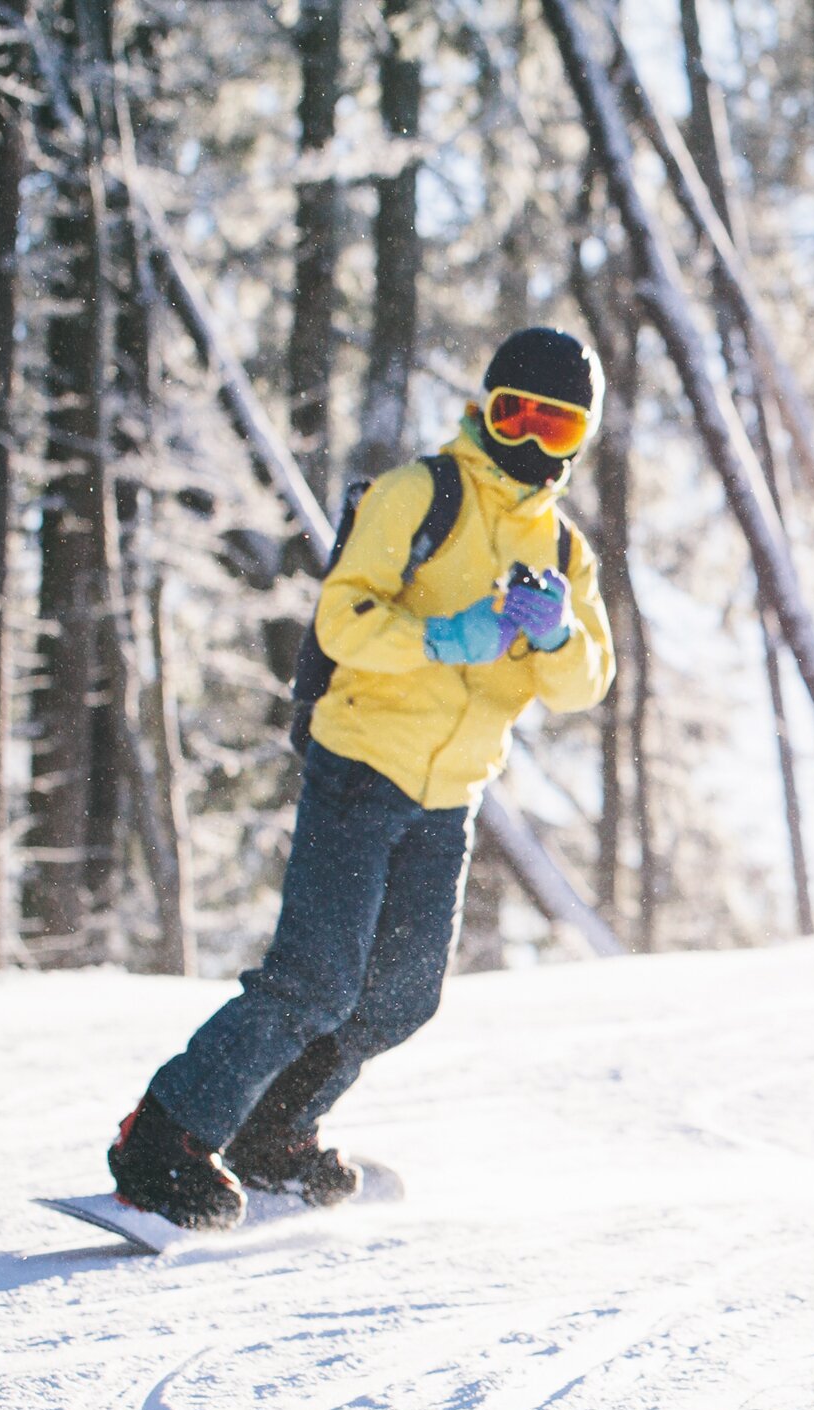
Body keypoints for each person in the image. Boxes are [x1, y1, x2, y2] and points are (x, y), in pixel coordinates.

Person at [106, 327, 616, 1228]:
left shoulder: (566, 553)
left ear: (580, 437)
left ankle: (274, 1137)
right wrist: (442, 637)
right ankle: (164, 1137)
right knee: (315, 980)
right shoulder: (421, 493)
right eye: (516, 416)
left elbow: (586, 684)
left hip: (448, 797)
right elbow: (342, 620)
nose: (532, 443)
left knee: (402, 998)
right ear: (485, 409)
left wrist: (554, 633)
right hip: (361, 767)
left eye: (557, 427)